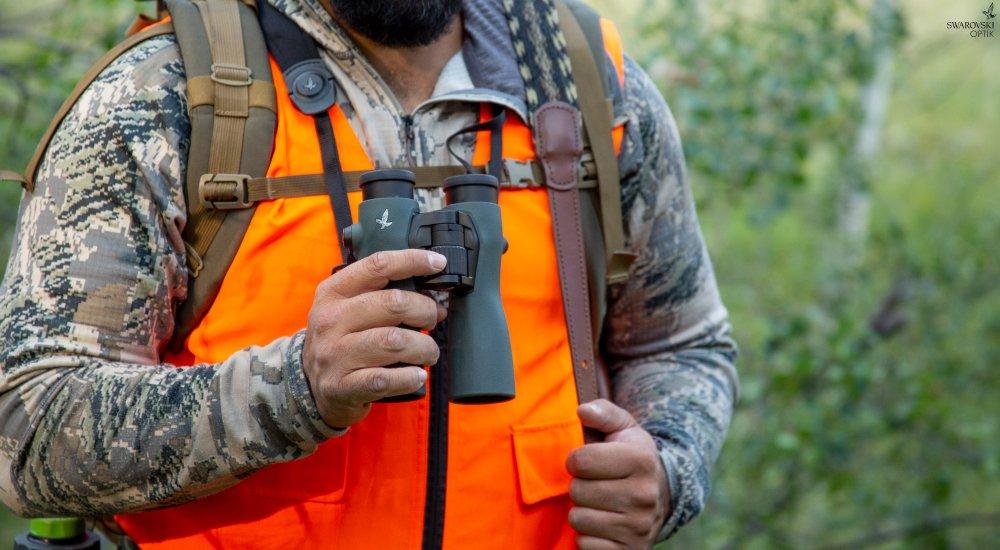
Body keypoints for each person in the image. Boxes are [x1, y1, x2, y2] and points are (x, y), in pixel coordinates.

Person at [0, 0, 738, 548]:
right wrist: (292, 387)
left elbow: (680, 344)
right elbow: (28, 431)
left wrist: (668, 466)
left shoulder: (584, 89)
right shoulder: (167, 97)